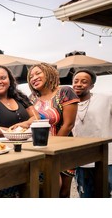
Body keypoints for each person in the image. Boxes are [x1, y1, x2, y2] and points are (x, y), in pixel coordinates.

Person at [27, 62, 79, 198]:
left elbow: (68, 125)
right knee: (47, 190)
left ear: (49, 73)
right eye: (31, 76)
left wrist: (53, 149)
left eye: (38, 73)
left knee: (63, 192)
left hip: (64, 149)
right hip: (40, 151)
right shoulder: (31, 98)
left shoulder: (65, 91)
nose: (34, 78)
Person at [71, 69, 112, 198]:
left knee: (105, 194)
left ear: (91, 86)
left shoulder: (106, 99)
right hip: (81, 159)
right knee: (85, 196)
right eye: (76, 81)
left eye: (84, 82)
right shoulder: (68, 105)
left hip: (106, 158)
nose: (78, 84)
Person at [0, 65, 38, 139]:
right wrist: (18, 132)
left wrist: (25, 124)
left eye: (3, 78)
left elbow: (36, 117)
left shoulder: (20, 97)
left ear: (10, 81)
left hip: (28, 145)